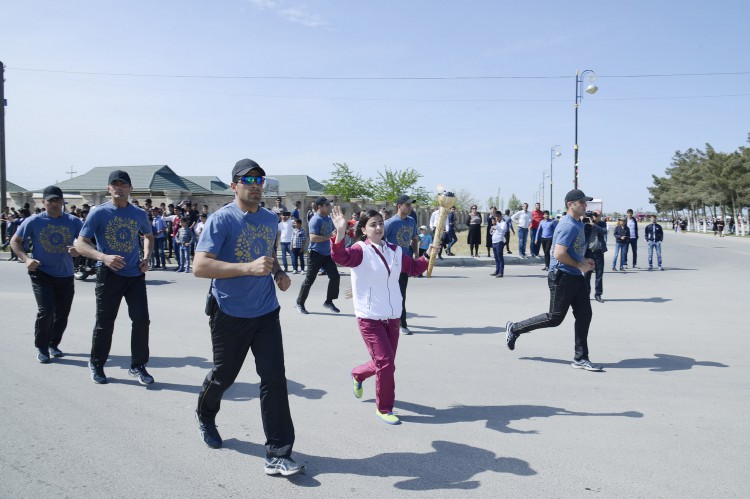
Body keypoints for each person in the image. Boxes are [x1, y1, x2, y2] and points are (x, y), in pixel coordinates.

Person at [193, 158, 302, 476]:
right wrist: (247, 268)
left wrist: (279, 273)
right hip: (229, 313)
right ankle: (205, 415)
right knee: (223, 376)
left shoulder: (270, 219)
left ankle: (279, 452)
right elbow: (200, 267)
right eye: (248, 180)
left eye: (260, 181)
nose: (255, 186)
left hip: (266, 312)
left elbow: (269, 255)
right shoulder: (221, 220)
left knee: (274, 380)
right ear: (234, 185)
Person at [330, 206, 434, 425]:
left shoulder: (395, 250)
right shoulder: (359, 251)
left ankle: (358, 374)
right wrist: (340, 233)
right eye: (372, 225)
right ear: (364, 229)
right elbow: (340, 257)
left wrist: (428, 255)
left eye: (380, 224)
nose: (378, 228)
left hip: (392, 317)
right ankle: (384, 408)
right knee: (386, 363)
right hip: (370, 318)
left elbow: (414, 268)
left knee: (384, 363)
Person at [505, 189, 602, 372]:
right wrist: (580, 266)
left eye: (585, 202)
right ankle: (515, 328)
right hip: (562, 276)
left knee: (584, 315)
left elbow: (573, 251)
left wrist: (583, 261)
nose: (585, 205)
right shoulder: (567, 225)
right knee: (555, 318)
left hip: (575, 275)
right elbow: (558, 254)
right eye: (581, 202)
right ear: (570, 204)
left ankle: (581, 358)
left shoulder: (579, 223)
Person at [74, 170, 155, 385]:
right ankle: (97, 363)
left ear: (130, 188)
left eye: (123, 184)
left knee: (141, 320)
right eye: (115, 184)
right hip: (108, 274)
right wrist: (104, 257)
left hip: (135, 275)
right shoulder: (99, 213)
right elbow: (80, 244)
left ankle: (138, 365)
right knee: (105, 322)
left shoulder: (138, 213)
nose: (119, 188)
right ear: (109, 188)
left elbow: (148, 236)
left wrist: (146, 257)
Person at [10, 186, 83, 363]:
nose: (54, 204)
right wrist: (26, 259)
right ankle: (42, 347)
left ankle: (53, 344)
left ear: (62, 202)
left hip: (65, 274)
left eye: (57, 200)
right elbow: (15, 241)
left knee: (62, 314)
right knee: (47, 311)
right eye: (50, 201)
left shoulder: (73, 221)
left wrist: (78, 250)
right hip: (41, 273)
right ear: (44, 202)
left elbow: (85, 242)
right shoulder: (34, 221)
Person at [295, 196, 340, 314]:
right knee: (310, 280)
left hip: (327, 254)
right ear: (320, 207)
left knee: (335, 277)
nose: (329, 206)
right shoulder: (316, 219)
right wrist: (329, 236)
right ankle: (299, 303)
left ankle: (329, 302)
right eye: (326, 205)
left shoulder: (328, 219)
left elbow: (332, 233)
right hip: (315, 254)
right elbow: (313, 238)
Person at [385, 195, 419, 335]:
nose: (410, 207)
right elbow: (379, 240)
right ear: (399, 206)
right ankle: (393, 321)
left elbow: (414, 238)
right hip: (390, 264)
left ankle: (401, 323)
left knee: (401, 294)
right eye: (407, 205)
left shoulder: (411, 221)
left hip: (404, 263)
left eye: (411, 205)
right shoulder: (390, 223)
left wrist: (416, 254)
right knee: (389, 293)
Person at [584, 211, 608, 303]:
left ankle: (598, 294)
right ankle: (586, 294)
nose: (595, 217)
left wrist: (593, 225)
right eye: (594, 215)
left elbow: (604, 232)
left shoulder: (602, 224)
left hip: (598, 252)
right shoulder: (586, 224)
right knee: (587, 275)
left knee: (599, 274)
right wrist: (585, 222)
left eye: (597, 215)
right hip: (589, 252)